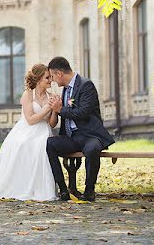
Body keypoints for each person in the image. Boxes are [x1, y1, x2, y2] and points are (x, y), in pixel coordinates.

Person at [0, 64, 59, 201]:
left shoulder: (51, 96)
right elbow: (30, 120)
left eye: (50, 78)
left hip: (43, 131)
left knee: (41, 146)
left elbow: (52, 123)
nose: (50, 80)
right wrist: (48, 108)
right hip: (26, 130)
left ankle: (41, 188)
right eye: (47, 77)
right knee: (22, 145)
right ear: (39, 79)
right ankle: (21, 186)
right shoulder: (28, 95)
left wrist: (56, 109)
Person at [46, 56, 115, 202]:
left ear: (59, 73)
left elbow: (83, 112)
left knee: (92, 149)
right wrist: (55, 109)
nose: (52, 80)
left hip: (90, 135)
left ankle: (89, 191)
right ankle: (63, 190)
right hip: (72, 137)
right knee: (49, 144)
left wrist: (60, 109)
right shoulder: (65, 89)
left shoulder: (86, 85)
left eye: (52, 76)